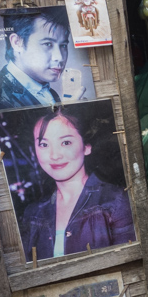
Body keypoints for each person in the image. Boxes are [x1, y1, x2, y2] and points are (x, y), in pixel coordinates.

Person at [19, 107, 136, 261]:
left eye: (65, 142)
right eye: (44, 144)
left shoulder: (116, 202)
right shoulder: (32, 214)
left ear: (86, 147)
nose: (54, 155)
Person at [0, 8, 84, 114]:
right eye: (48, 44)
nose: (59, 57)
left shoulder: (48, 92)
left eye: (63, 45)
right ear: (17, 42)